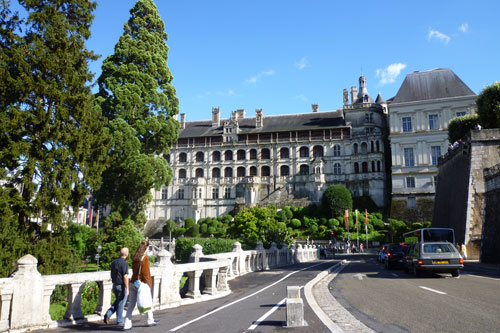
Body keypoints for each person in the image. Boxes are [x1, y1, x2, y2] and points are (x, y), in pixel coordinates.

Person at [123, 241, 158, 330]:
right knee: (147, 301)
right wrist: (149, 284)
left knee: (131, 304)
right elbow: (146, 274)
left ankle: (127, 324)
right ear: (146, 248)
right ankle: (150, 320)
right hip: (141, 283)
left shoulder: (135, 257)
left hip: (133, 282)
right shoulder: (144, 258)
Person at [104, 248, 130, 325]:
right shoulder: (124, 263)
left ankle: (108, 314)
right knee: (121, 304)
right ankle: (119, 320)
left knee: (118, 302)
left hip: (115, 285)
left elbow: (112, 273)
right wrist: (127, 288)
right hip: (121, 286)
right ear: (126, 254)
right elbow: (125, 276)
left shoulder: (114, 262)